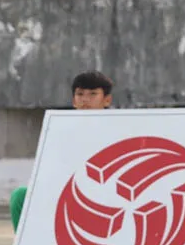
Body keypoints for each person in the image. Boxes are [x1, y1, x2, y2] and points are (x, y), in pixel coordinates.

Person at [9, 70, 114, 232]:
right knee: (20, 196)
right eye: (80, 94)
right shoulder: (59, 129)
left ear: (107, 100)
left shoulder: (119, 129)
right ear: (73, 100)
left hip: (106, 193)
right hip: (64, 191)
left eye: (93, 94)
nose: (85, 100)